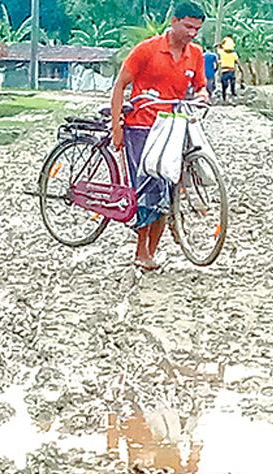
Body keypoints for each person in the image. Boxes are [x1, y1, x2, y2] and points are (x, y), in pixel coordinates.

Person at [110, 1, 208, 271]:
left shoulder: (196, 55)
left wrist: (202, 96)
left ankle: (151, 251)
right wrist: (117, 126)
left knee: (169, 189)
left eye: (197, 29)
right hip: (142, 125)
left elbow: (200, 86)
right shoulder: (147, 50)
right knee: (149, 187)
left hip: (173, 126)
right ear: (174, 21)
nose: (192, 33)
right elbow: (120, 84)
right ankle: (141, 250)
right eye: (188, 26)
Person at [217, 36, 239, 103]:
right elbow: (238, 62)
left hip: (225, 71)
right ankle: (232, 96)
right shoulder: (234, 54)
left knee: (224, 86)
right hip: (231, 71)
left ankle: (224, 98)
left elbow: (218, 47)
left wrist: (221, 43)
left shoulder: (222, 53)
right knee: (232, 85)